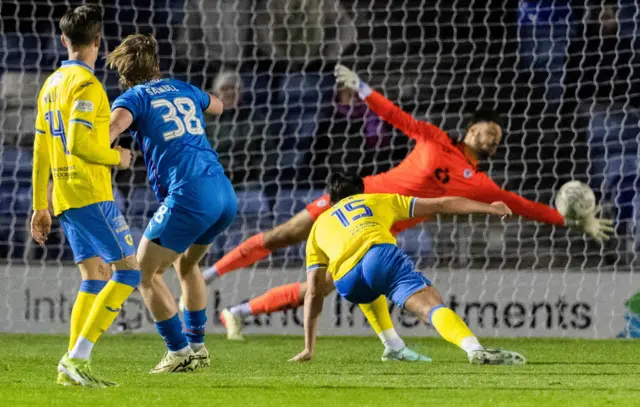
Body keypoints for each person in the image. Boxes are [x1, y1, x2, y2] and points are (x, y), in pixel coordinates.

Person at [204, 64, 613, 343]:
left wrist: (569, 220)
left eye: (498, 139)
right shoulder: (435, 138)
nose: (492, 140)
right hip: (355, 198)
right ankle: (208, 275)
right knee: (282, 235)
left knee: (323, 285)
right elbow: (398, 117)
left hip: (376, 235)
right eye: (489, 132)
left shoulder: (481, 184)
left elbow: (523, 205)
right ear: (471, 129)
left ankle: (237, 313)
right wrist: (363, 89)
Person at [289, 173, 525, 365]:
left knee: (369, 286)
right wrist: (490, 208)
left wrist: (309, 347)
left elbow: (313, 291)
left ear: (331, 201)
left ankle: (393, 346)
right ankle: (475, 349)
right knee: (429, 306)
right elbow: (442, 204)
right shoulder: (377, 200)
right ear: (362, 192)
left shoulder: (318, 227)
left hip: (347, 283)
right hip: (378, 257)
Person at [107, 34, 236, 373]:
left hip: (189, 195)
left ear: (124, 74)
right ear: (158, 66)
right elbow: (219, 106)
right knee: (187, 266)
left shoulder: (131, 98)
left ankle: (179, 353)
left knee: (144, 272)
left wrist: (103, 150)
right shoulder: (184, 88)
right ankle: (198, 348)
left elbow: (111, 129)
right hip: (223, 192)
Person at [31, 5, 139, 387]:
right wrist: (118, 158)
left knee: (94, 278)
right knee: (129, 271)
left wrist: (40, 205)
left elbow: (41, 149)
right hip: (90, 191)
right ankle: (77, 359)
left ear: (64, 40)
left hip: (62, 194)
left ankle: (70, 367)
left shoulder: (50, 86)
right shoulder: (87, 86)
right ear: (98, 41)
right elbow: (78, 144)